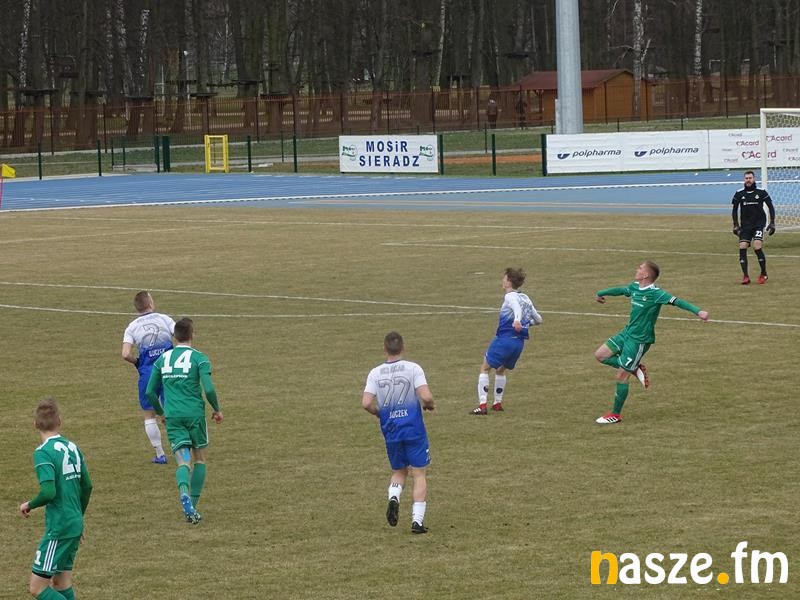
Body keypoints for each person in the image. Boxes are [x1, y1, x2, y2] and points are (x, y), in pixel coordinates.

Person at [593, 261, 709, 424]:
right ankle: (634, 367)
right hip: (626, 333)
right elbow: (621, 290)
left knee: (621, 375)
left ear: (646, 275)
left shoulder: (657, 294)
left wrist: (699, 311)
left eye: (640, 268)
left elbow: (678, 302)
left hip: (639, 341)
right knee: (600, 355)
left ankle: (615, 415)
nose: (637, 269)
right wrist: (601, 293)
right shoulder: (635, 287)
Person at [146, 317, 222, 524]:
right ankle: (192, 507)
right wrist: (217, 410)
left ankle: (184, 493)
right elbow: (209, 389)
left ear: (174, 337)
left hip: (173, 417)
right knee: (199, 459)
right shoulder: (200, 358)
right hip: (194, 416)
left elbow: (150, 392)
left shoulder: (162, 359)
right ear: (192, 335)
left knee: (183, 461)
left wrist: (161, 413)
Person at [19, 398, 93, 600]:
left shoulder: (43, 453)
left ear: (35, 424)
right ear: (59, 421)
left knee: (37, 588)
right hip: (74, 522)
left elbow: (48, 492)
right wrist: (78, 516)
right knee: (61, 583)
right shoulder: (73, 447)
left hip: (59, 526)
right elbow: (87, 486)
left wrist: (29, 504)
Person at [362, 331, 435, 534]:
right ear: (403, 347)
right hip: (413, 429)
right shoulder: (413, 368)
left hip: (391, 430)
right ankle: (417, 522)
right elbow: (426, 397)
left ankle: (394, 497)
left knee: (399, 471)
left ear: (384, 349)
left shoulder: (375, 373)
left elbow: (366, 403)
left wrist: (379, 413)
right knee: (419, 473)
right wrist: (429, 405)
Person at [472, 267, 542, 415]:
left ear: (509, 282)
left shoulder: (510, 296)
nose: (502, 281)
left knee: (485, 368)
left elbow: (516, 307)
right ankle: (497, 403)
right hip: (519, 343)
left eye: (504, 279)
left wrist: (517, 320)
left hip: (505, 339)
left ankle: (482, 405)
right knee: (501, 370)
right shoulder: (526, 298)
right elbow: (538, 319)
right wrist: (525, 324)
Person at [122, 291, 175, 464]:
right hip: (168, 370)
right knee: (171, 410)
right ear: (151, 303)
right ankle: (180, 447)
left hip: (148, 373)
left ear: (137, 307)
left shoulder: (132, 327)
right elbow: (180, 335)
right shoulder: (164, 319)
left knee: (149, 414)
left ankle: (160, 454)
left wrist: (138, 362)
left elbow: (125, 354)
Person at [731, 170, 776, 284]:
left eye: (750, 178)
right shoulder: (739, 193)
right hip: (745, 226)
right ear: (744, 179)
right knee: (742, 246)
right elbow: (734, 210)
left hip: (758, 224)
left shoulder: (761, 192)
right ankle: (745, 276)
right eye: (746, 178)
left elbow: (770, 207)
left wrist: (772, 222)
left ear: (754, 179)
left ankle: (763, 273)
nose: (748, 180)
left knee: (757, 246)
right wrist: (736, 225)